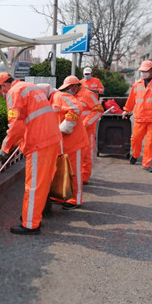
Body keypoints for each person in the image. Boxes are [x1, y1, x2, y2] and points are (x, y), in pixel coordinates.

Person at [0, 73, 62, 235]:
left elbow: (17, 125)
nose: (2, 96)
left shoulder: (14, 93)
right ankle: (34, 215)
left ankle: (30, 224)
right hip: (52, 139)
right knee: (42, 183)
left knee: (34, 185)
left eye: (0, 92)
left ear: (3, 86)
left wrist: (5, 147)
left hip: (39, 142)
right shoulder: (30, 87)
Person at [49, 76, 89, 209]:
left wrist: (66, 127)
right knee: (61, 171)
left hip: (75, 142)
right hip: (63, 143)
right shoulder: (51, 100)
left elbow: (76, 108)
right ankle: (59, 195)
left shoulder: (59, 97)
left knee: (74, 172)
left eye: (69, 87)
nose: (68, 90)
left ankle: (75, 200)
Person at [74, 83, 104, 184]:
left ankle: (84, 178)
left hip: (87, 130)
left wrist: (86, 124)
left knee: (87, 155)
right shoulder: (72, 95)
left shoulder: (88, 94)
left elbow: (99, 110)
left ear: (75, 86)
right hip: (76, 130)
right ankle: (77, 176)